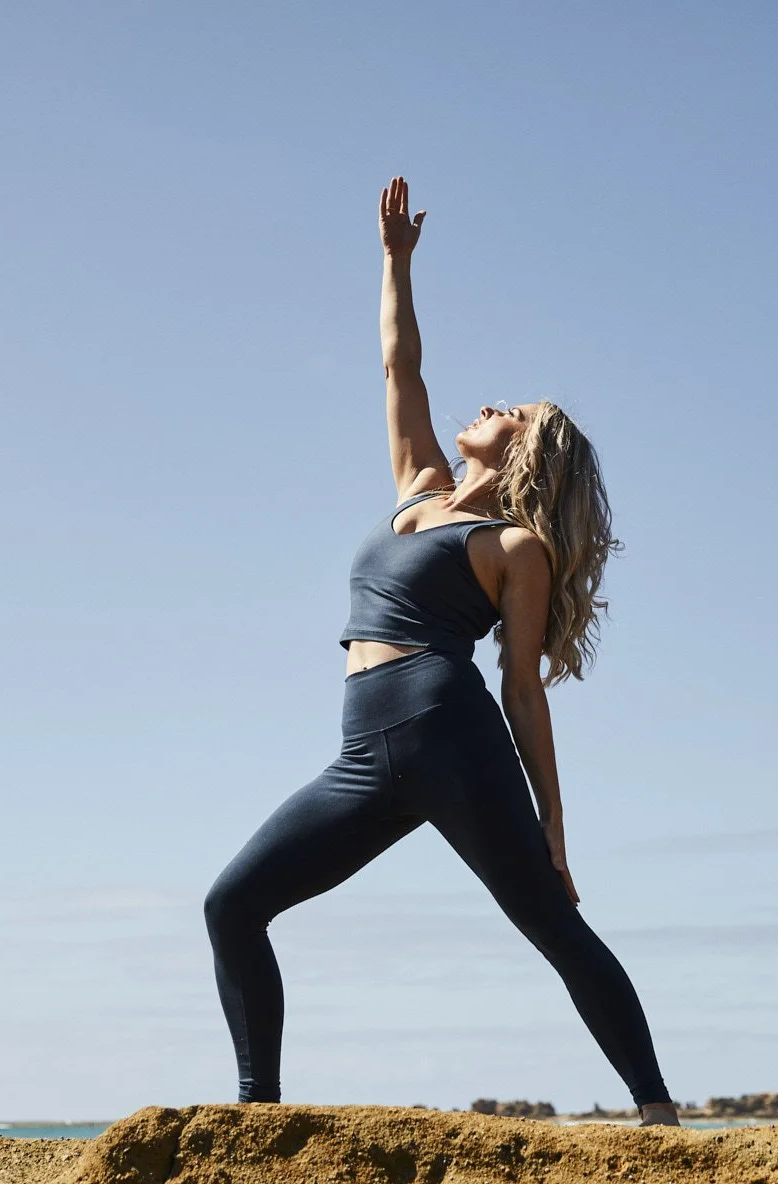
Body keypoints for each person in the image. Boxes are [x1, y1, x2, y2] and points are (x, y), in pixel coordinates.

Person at [203, 177, 679, 1128]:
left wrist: (553, 821)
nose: (489, 402)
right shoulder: (417, 484)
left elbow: (523, 692)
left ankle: (658, 1112)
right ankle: (255, 1114)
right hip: (360, 758)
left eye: (511, 411)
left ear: (527, 453)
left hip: (452, 739)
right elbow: (398, 368)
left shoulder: (515, 548)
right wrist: (395, 263)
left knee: (549, 920)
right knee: (233, 904)